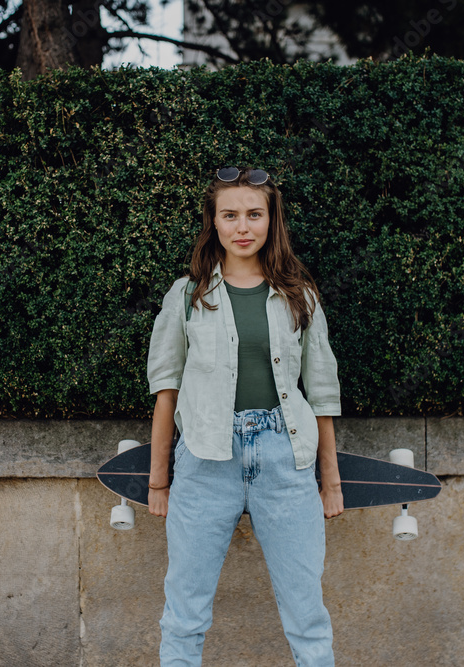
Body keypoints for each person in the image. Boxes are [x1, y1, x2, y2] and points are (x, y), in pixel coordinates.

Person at [146, 166, 344, 666]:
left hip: (285, 459)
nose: (242, 226)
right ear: (213, 222)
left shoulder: (299, 295)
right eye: (230, 215)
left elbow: (322, 395)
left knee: (307, 613)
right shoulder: (187, 296)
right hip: (205, 462)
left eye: (254, 215)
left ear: (271, 221)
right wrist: (158, 481)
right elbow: (166, 391)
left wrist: (331, 482)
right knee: (184, 613)